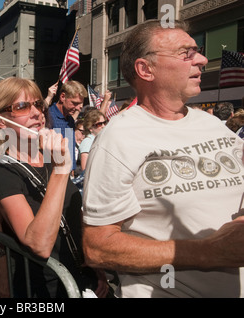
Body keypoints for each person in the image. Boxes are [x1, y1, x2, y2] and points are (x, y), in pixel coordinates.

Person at [82, 19, 244, 298]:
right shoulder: (117, 138)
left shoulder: (214, 124)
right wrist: (207, 253)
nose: (203, 60)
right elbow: (97, 247)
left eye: (199, 50)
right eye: (187, 53)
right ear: (146, 69)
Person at [0, 77, 108, 298]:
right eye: (23, 106)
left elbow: (73, 215)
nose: (37, 112)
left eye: (38, 104)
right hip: (47, 289)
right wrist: (61, 170)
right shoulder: (2, 172)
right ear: (1, 121)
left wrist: (95, 263)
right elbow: (38, 244)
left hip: (82, 276)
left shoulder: (50, 156)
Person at [48, 80, 87, 174]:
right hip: (53, 175)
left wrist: (72, 171)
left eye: (80, 104)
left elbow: (70, 149)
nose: (78, 108)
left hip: (68, 176)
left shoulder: (70, 121)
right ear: (62, 97)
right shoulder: (48, 116)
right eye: (75, 103)